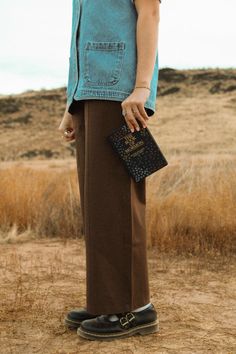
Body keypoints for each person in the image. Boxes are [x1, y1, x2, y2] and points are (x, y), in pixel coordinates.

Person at [58, 0, 161, 341]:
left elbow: (150, 13)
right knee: (99, 206)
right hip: (91, 93)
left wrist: (142, 88)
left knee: (118, 204)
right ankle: (106, 300)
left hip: (121, 94)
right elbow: (80, 36)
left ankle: (135, 309)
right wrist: (72, 102)